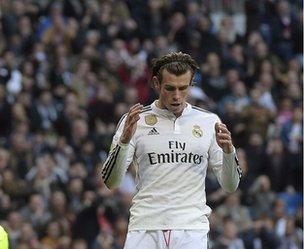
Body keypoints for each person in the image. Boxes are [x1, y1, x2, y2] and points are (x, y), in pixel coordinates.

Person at [101, 52, 242, 249]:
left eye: (183, 88)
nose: (177, 96)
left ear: (191, 84)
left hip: (190, 229)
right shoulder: (135, 120)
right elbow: (111, 181)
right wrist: (124, 142)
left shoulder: (210, 122)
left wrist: (228, 153)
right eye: (170, 88)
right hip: (145, 226)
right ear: (156, 84)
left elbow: (230, 186)